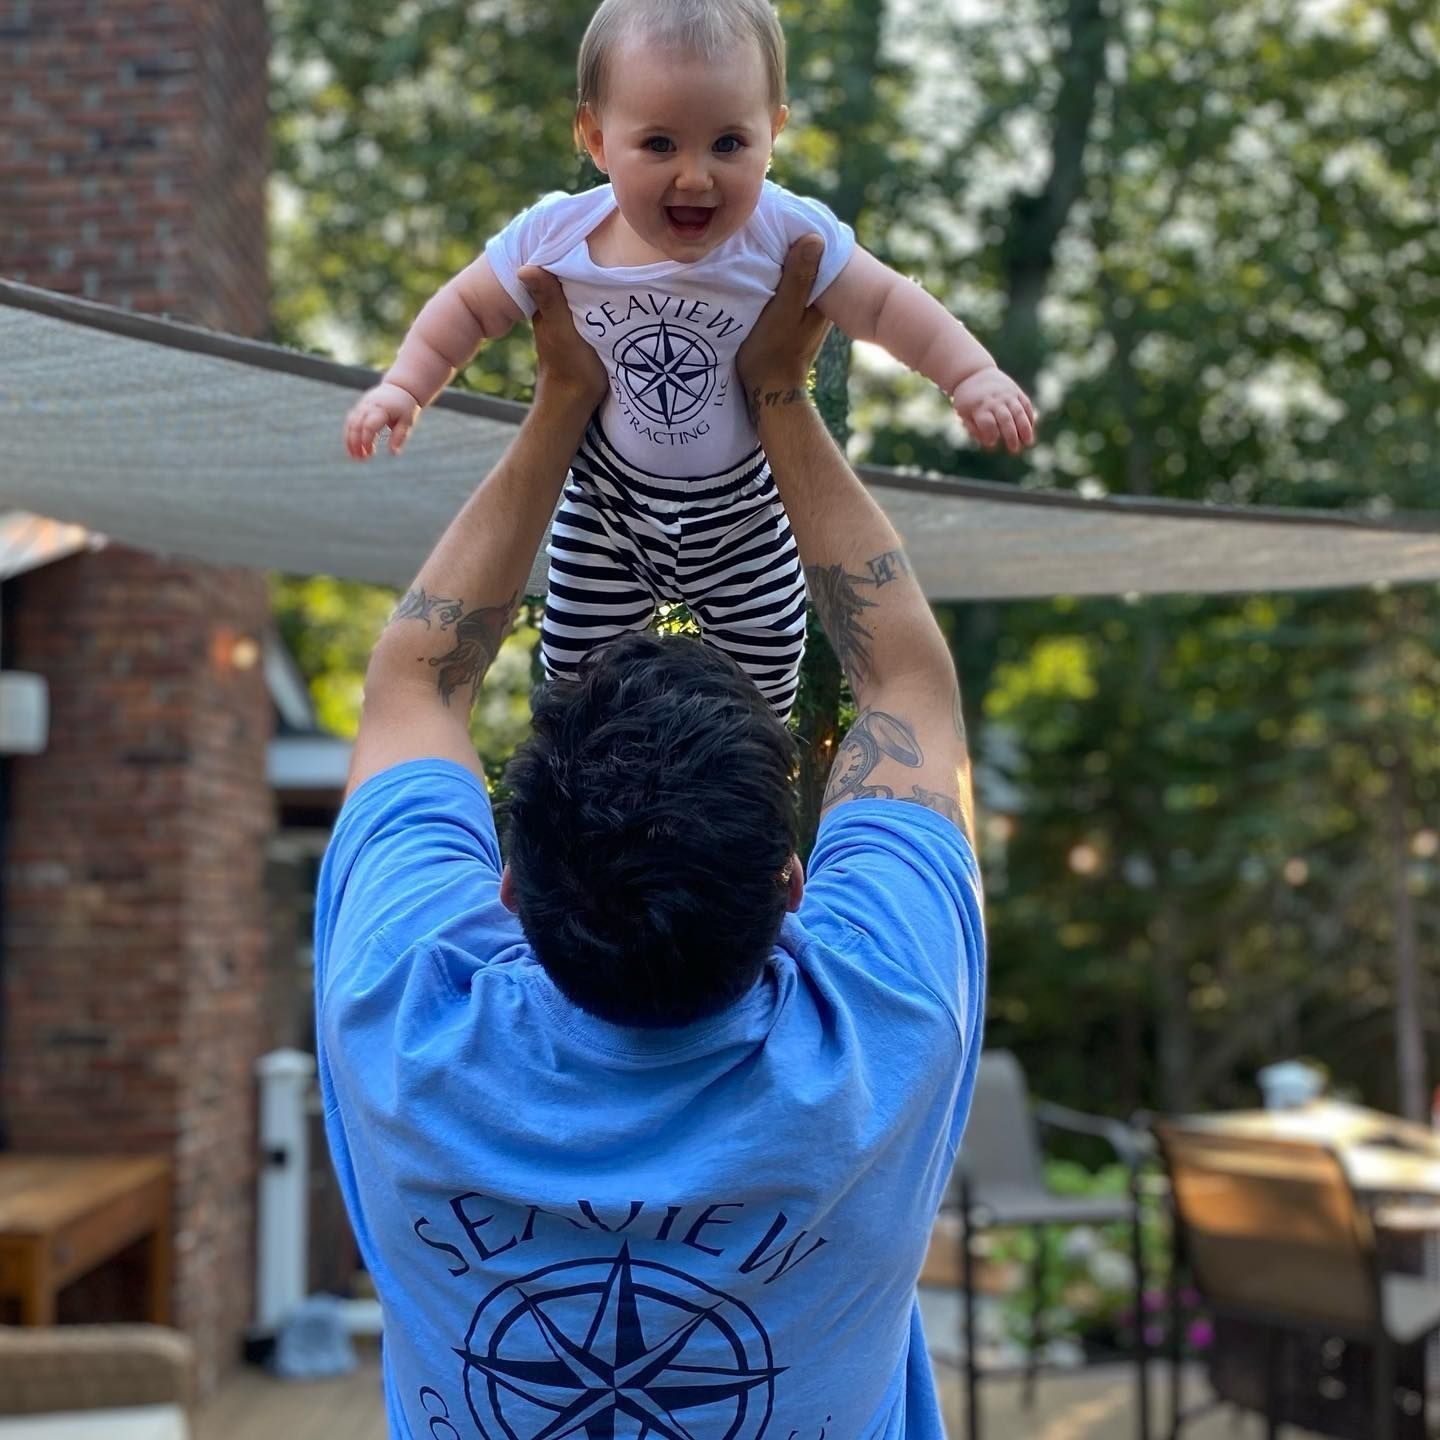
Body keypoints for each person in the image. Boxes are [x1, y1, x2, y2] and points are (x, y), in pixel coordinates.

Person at [315, 236, 985, 1440]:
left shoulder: (401, 1021)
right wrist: (777, 395)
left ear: (509, 890)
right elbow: (908, 686)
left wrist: (563, 400)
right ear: (792, 884)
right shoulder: (886, 1022)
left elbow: (416, 680)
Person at [342, 0, 1036, 720]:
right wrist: (406, 387)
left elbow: (888, 305)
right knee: (575, 677)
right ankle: (578, 759)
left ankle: (759, 761)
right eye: (660, 144)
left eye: (729, 143)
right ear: (597, 139)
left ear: (774, 133)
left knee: (766, 674)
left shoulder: (785, 232)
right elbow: (465, 309)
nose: (696, 177)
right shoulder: (557, 235)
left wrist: (969, 374)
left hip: (745, 512)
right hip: (610, 505)